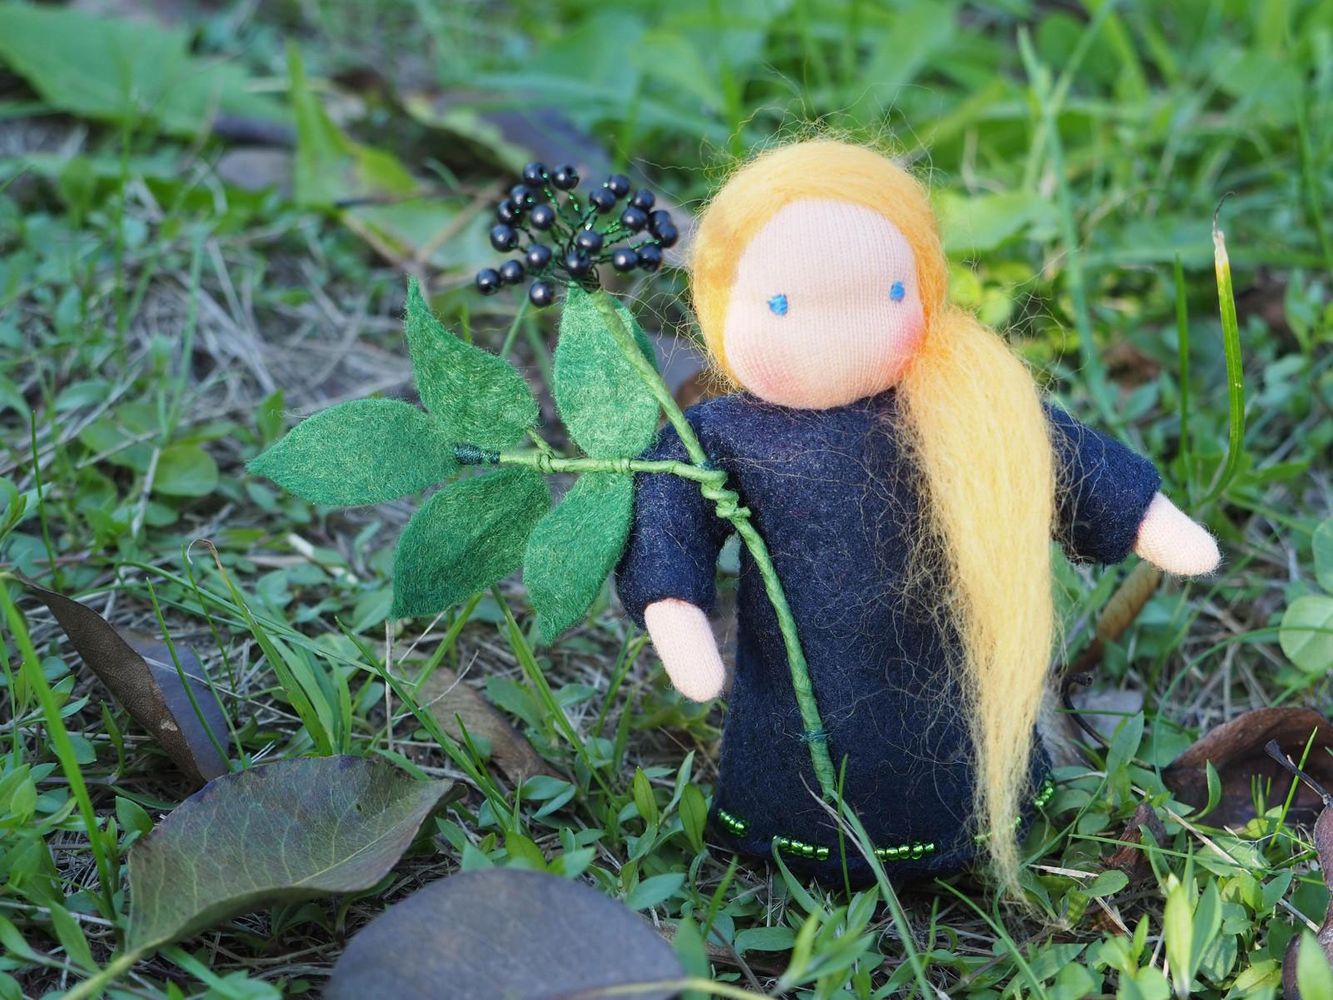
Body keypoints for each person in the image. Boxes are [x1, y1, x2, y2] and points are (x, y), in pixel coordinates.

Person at [615, 140, 1219, 889]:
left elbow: (1052, 456)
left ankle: (968, 820)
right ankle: (802, 831)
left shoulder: (953, 402)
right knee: (801, 750)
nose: (837, 332)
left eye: (890, 293)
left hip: (935, 662)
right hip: (798, 686)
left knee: (943, 734)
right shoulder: (726, 434)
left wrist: (1141, 514)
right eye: (781, 306)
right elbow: (670, 513)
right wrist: (674, 608)